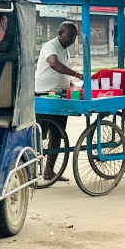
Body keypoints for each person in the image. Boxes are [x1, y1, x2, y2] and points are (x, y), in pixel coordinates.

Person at [36, 22, 83, 181]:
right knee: (39, 135)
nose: (73, 39)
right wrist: (77, 75)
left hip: (60, 94)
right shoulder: (51, 46)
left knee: (57, 134)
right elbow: (54, 64)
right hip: (44, 94)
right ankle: (31, 170)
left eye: (75, 36)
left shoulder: (64, 50)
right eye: (70, 35)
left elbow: (62, 72)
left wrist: (70, 84)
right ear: (60, 33)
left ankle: (49, 171)